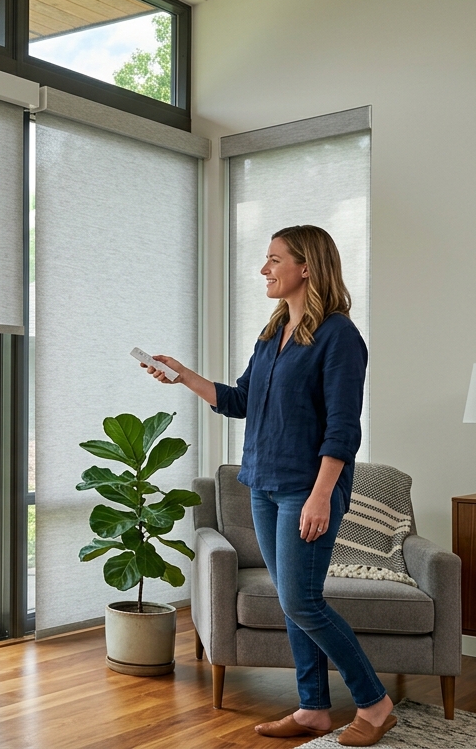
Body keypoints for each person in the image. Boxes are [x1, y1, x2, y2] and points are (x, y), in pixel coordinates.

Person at [139, 225, 395, 747]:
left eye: (274, 259)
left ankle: (375, 702)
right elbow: (241, 402)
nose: (264, 269)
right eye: (266, 259)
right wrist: (184, 375)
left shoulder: (340, 335)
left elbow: (344, 426)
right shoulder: (272, 332)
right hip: (262, 482)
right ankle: (313, 710)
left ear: (307, 267)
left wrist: (323, 493)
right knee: (290, 599)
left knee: (302, 601)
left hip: (307, 487)